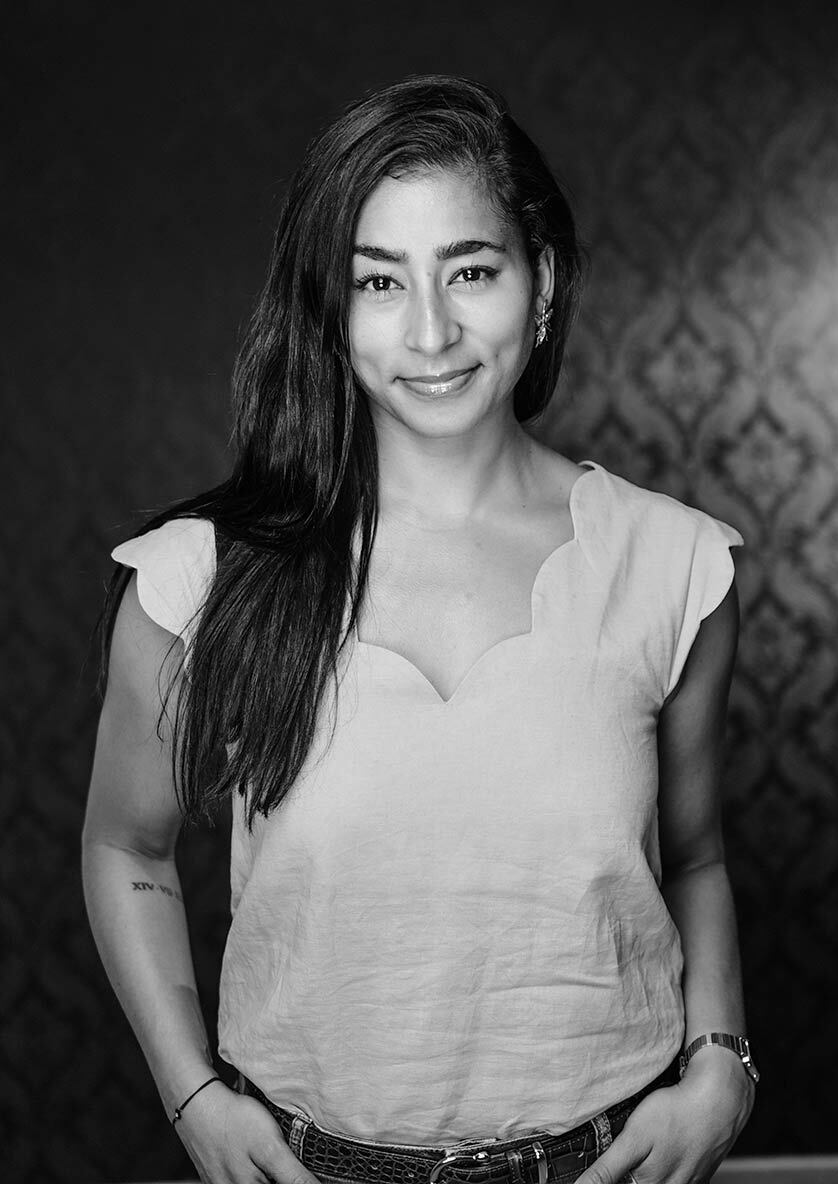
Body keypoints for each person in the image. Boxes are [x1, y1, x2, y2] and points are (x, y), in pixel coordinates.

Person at [83, 74, 756, 1184]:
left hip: (608, 1159)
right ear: (328, 307)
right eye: (379, 281)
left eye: (471, 271)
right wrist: (192, 1095)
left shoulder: (675, 565)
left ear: (541, 284)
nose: (432, 331)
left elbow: (693, 858)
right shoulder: (203, 573)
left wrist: (721, 1063)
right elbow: (125, 846)